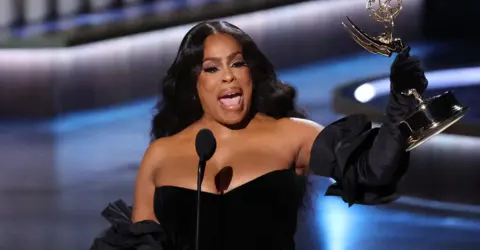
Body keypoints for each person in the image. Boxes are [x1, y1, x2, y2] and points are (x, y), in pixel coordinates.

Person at [90, 21, 428, 250]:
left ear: (252, 73)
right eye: (212, 68)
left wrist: (399, 102)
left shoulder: (290, 135)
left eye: (237, 64)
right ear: (194, 84)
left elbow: (374, 169)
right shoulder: (160, 156)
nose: (228, 78)